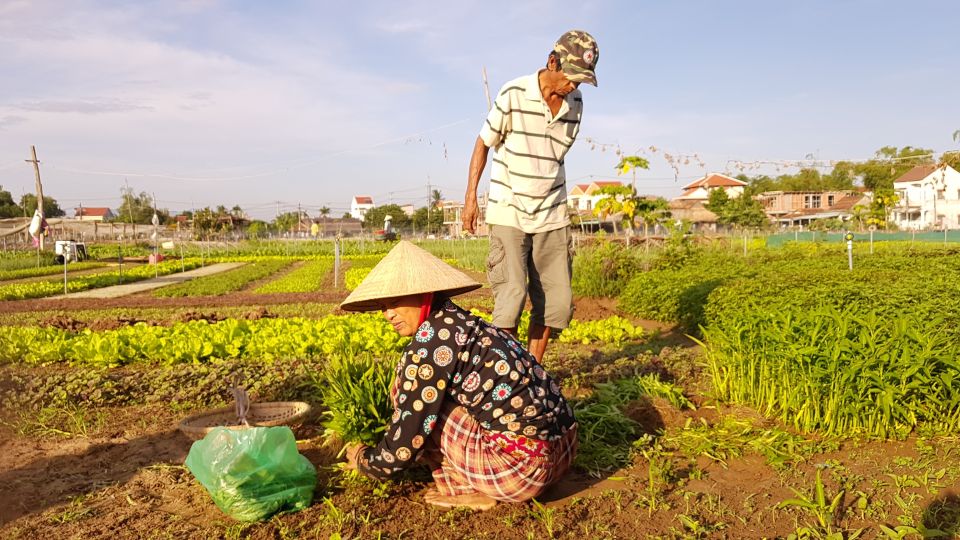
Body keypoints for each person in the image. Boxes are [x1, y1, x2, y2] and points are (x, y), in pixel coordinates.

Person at [339, 241, 577, 511]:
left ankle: (473, 490)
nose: (387, 315)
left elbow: (407, 437)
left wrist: (366, 461)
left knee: (415, 402)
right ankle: (482, 479)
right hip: (564, 452)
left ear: (425, 295)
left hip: (522, 473)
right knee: (430, 399)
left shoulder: (429, 346)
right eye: (383, 306)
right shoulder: (467, 324)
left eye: (394, 303)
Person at [461, 30, 600, 362]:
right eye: (571, 77)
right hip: (509, 208)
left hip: (551, 210)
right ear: (552, 61)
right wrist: (471, 198)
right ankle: (505, 370)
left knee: (557, 300)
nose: (573, 87)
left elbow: (554, 155)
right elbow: (483, 142)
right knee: (512, 293)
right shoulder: (513, 93)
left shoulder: (576, 104)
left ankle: (531, 372)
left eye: (581, 81)